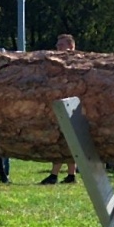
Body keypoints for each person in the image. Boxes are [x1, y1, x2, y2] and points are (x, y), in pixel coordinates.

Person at [39, 33, 79, 185]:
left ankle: (56, 175)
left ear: (70, 46)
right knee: (67, 142)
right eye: (57, 45)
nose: (57, 48)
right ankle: (70, 175)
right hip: (63, 106)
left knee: (65, 141)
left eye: (61, 45)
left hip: (71, 107)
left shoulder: (75, 63)